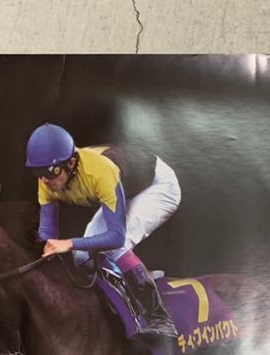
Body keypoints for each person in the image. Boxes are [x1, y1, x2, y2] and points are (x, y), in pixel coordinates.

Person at [26, 123, 179, 341]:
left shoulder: (99, 172)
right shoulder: (46, 182)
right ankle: (118, 292)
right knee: (81, 257)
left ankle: (160, 319)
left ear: (71, 163)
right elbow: (47, 235)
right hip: (125, 185)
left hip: (156, 185)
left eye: (51, 171)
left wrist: (68, 243)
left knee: (117, 247)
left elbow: (115, 237)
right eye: (37, 172)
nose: (45, 180)